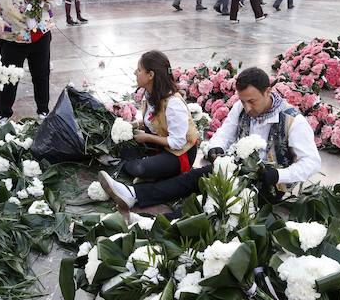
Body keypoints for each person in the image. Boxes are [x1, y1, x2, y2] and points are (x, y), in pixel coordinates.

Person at [98, 67, 322, 210]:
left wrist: (278, 174)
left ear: (268, 91)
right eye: (243, 100)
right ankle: (133, 195)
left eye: (252, 101)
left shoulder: (293, 121)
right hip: (237, 168)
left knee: (214, 204)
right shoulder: (241, 107)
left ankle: (166, 223)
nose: (247, 106)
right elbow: (225, 132)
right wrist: (216, 148)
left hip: (268, 185)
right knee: (193, 178)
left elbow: (312, 162)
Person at [119, 50, 200, 181]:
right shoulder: (150, 94)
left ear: (150, 75)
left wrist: (147, 138)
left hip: (179, 154)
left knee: (139, 168)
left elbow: (177, 142)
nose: (135, 73)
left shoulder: (173, 103)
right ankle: (142, 168)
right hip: (161, 146)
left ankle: (137, 168)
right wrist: (134, 124)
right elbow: (153, 121)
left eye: (139, 70)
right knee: (122, 144)